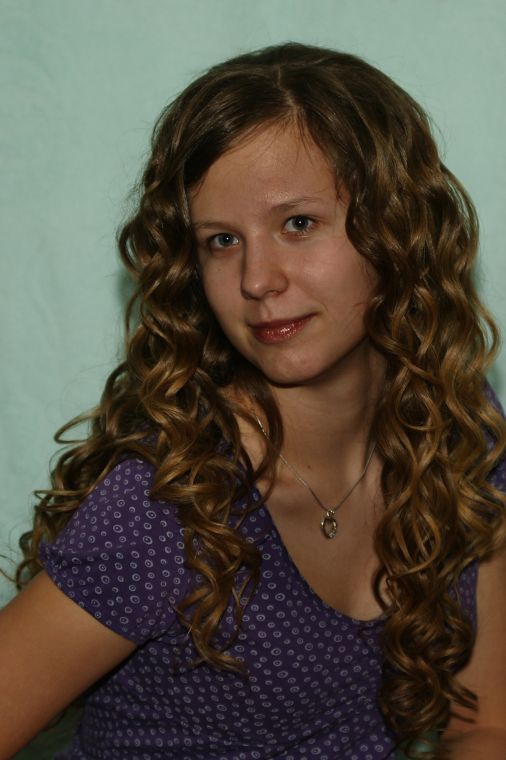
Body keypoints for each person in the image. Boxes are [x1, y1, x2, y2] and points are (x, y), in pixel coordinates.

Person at [1, 42, 505, 760]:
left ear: (399, 227)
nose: (256, 279)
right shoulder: (172, 505)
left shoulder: (457, 432)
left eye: (298, 224)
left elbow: (484, 722)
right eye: (220, 240)